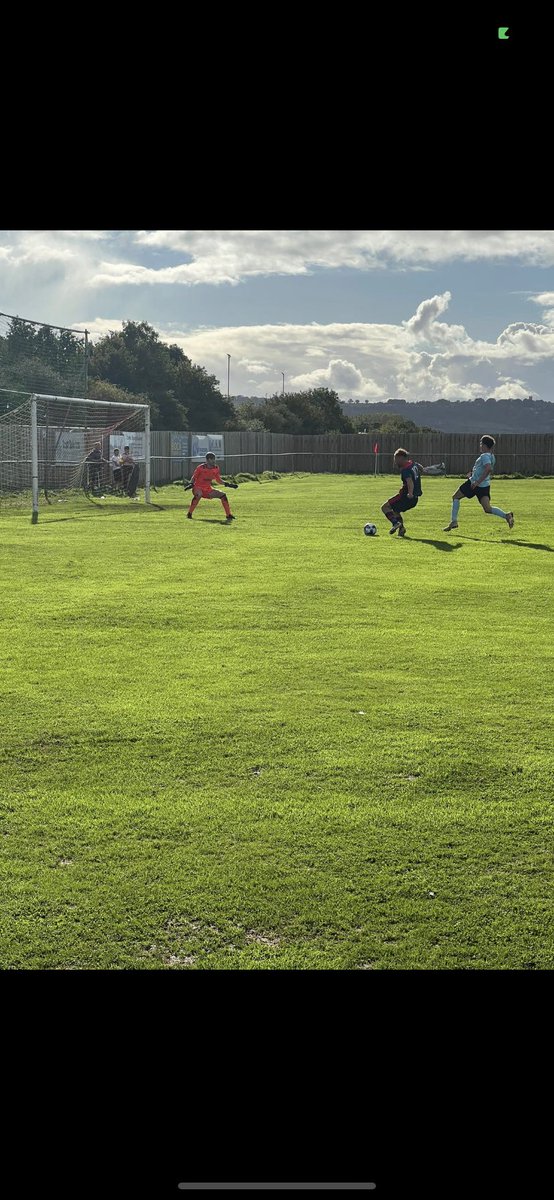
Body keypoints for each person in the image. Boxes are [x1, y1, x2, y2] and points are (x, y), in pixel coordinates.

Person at [443, 435, 514, 531]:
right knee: (487, 509)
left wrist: (476, 481)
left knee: (455, 497)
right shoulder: (492, 456)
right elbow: (483, 469)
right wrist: (472, 474)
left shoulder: (484, 456)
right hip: (484, 486)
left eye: (481, 444)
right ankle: (506, 515)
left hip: (473, 484)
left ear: (484, 445)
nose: (480, 446)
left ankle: (454, 521)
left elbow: (488, 469)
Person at [381, 448, 422, 537]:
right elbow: (420, 467)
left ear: (401, 458)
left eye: (396, 459)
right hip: (415, 499)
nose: (395, 462)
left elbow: (409, 482)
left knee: (384, 507)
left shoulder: (405, 469)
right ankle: (401, 529)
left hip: (405, 496)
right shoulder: (413, 464)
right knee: (396, 510)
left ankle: (395, 523)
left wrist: (410, 493)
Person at [186, 452, 236, 522]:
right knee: (199, 494)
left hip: (208, 489)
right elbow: (194, 477)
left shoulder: (216, 468)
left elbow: (218, 480)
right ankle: (189, 513)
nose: (213, 461)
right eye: (212, 459)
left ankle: (228, 515)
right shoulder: (201, 467)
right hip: (197, 488)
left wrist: (228, 484)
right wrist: (191, 484)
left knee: (223, 495)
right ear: (207, 460)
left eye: (214, 459)